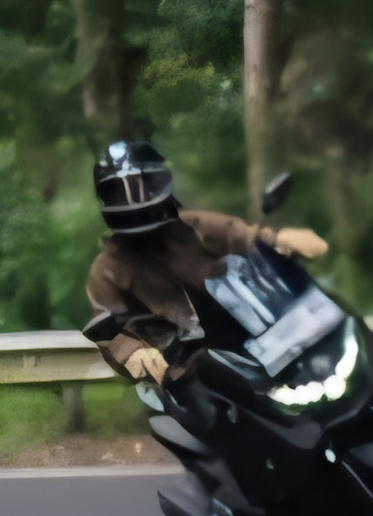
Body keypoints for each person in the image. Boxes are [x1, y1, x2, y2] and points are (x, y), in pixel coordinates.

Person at [84, 140, 330, 382]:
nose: (133, 199)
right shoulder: (108, 268)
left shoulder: (198, 226)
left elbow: (248, 236)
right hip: (181, 370)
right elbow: (107, 332)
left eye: (142, 185)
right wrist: (137, 354)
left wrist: (286, 239)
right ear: (105, 196)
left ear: (161, 180)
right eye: (118, 191)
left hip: (251, 346)